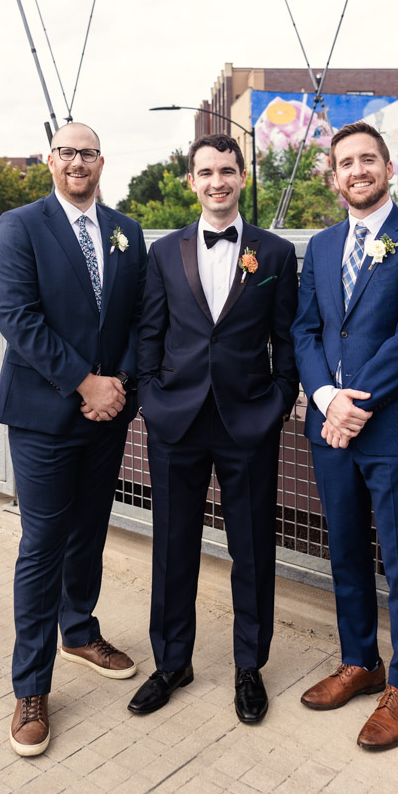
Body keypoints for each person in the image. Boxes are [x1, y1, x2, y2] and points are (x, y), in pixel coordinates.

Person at [291, 121, 398, 751]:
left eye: (368, 160)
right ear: (334, 178)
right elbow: (305, 331)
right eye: (345, 163)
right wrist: (327, 398)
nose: (357, 171)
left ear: (388, 168)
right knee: (347, 552)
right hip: (329, 425)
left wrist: (356, 405)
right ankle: (361, 662)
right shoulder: (322, 245)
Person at [128, 133, 299, 723]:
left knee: (252, 547)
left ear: (243, 176)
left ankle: (249, 667)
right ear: (192, 182)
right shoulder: (163, 252)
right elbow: (149, 332)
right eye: (206, 172)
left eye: (227, 170)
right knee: (173, 545)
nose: (217, 181)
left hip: (249, 419)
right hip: (175, 418)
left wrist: (280, 400)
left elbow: (286, 338)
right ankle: (172, 661)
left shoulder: (275, 254)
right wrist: (149, 396)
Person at [0, 122, 147, 757]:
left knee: (90, 530)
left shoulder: (126, 230)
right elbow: (16, 316)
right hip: (44, 415)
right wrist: (85, 383)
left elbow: (140, 314)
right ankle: (30, 685)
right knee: (43, 543)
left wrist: (120, 385)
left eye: (87, 153)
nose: (76, 162)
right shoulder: (19, 226)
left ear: (101, 161)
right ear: (51, 161)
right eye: (65, 152)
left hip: (107, 414)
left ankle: (78, 631)